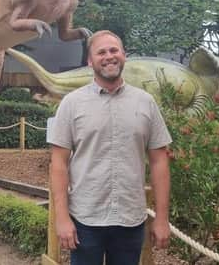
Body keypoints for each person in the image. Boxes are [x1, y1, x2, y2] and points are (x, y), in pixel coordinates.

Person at [47, 30, 172, 265]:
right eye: (101, 52)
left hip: (130, 221)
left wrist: (162, 218)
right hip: (85, 221)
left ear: (124, 55)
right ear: (90, 61)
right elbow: (58, 164)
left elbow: (159, 161)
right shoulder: (71, 104)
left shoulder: (145, 103)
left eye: (114, 50)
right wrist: (62, 218)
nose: (109, 56)